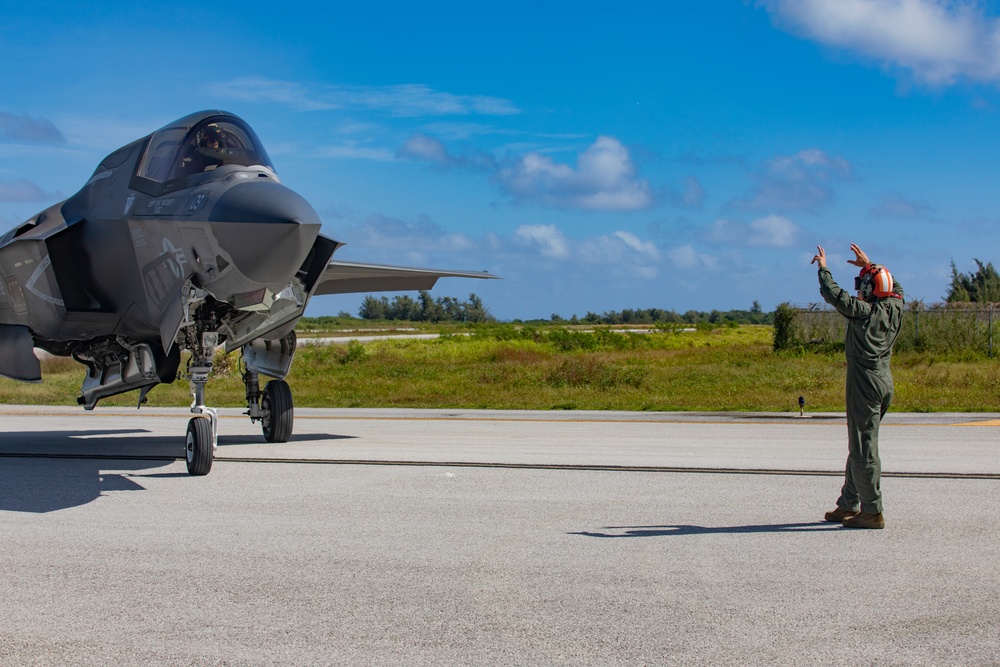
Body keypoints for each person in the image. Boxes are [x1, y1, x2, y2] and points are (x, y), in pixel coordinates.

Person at [811, 243, 904, 529]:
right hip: (884, 380)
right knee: (860, 443)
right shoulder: (896, 306)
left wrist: (824, 269)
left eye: (865, 285)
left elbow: (834, 295)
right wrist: (870, 265)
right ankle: (849, 504)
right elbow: (895, 286)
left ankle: (872, 510)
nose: (860, 290)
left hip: (864, 383)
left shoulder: (863, 313)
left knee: (864, 448)